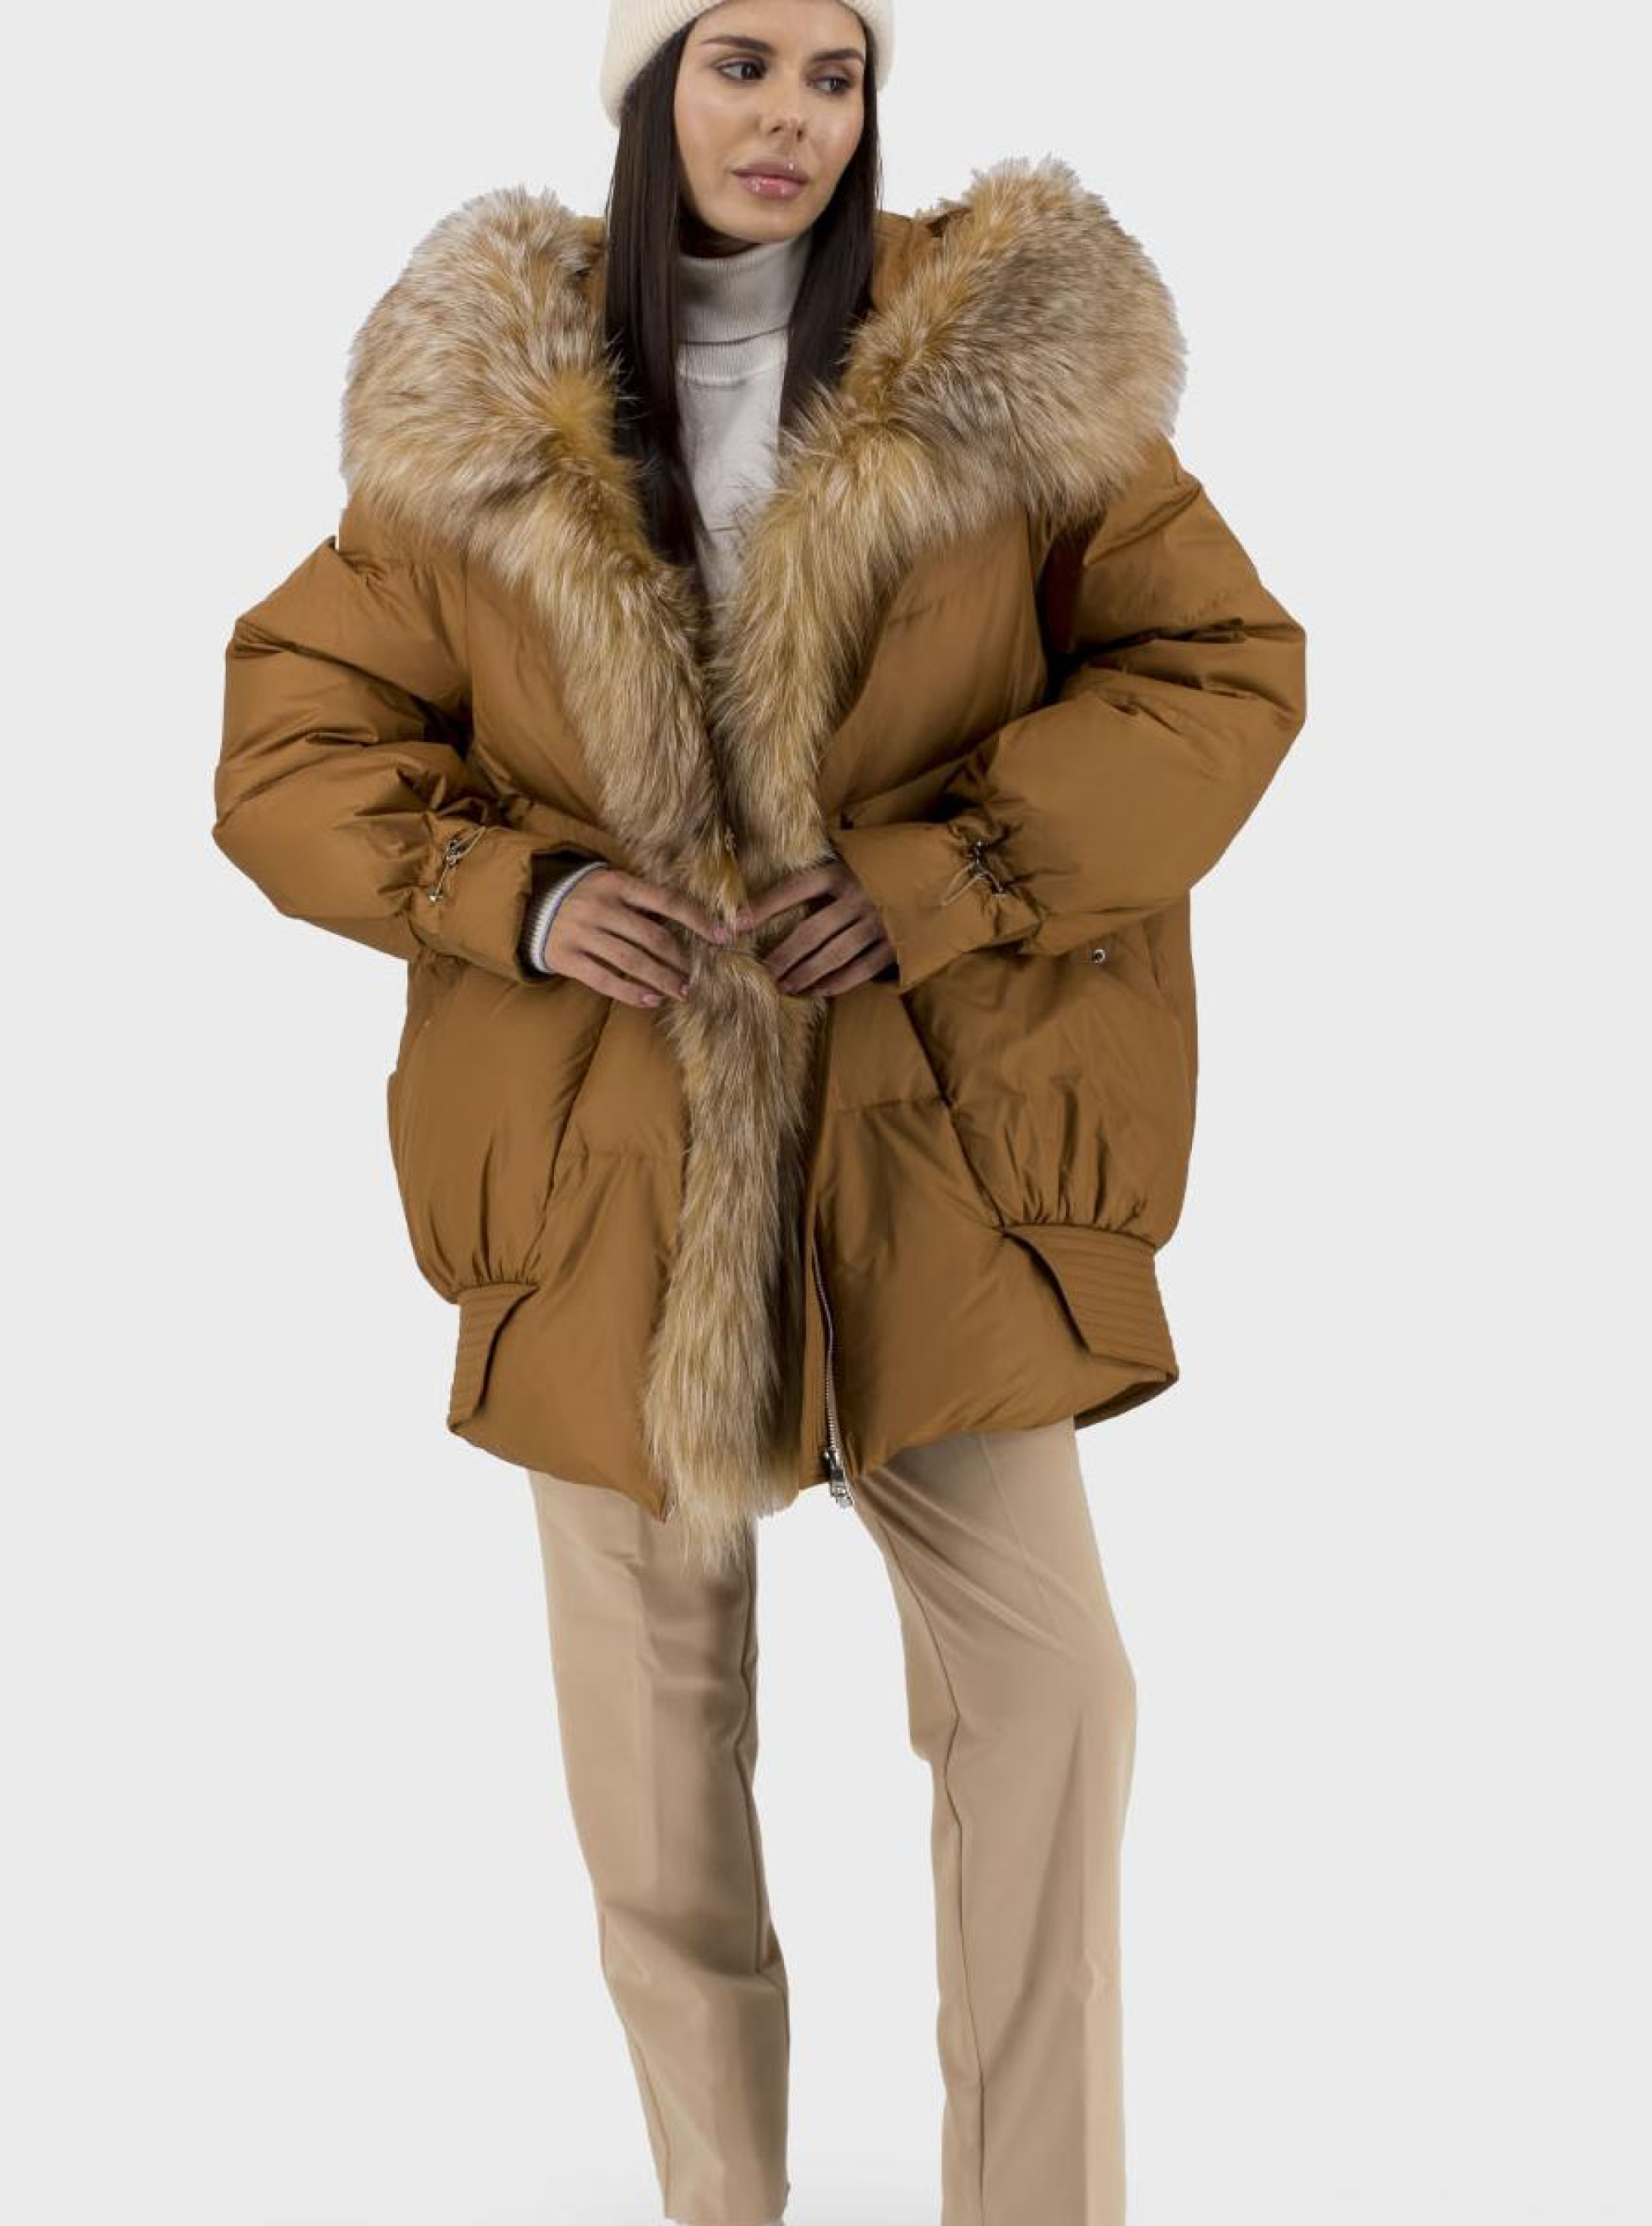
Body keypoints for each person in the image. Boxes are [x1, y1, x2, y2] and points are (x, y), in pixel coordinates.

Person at [213, 2, 1308, 2219]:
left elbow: (1217, 674)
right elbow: (291, 743)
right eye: (740, 62)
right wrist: (514, 899)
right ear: (648, 86)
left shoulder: (1006, 365)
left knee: (1053, 1705)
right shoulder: (482, 399)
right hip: (604, 1167)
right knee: (655, 1794)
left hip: (937, 1145)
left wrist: (952, 873)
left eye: (834, 71)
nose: (792, 115)